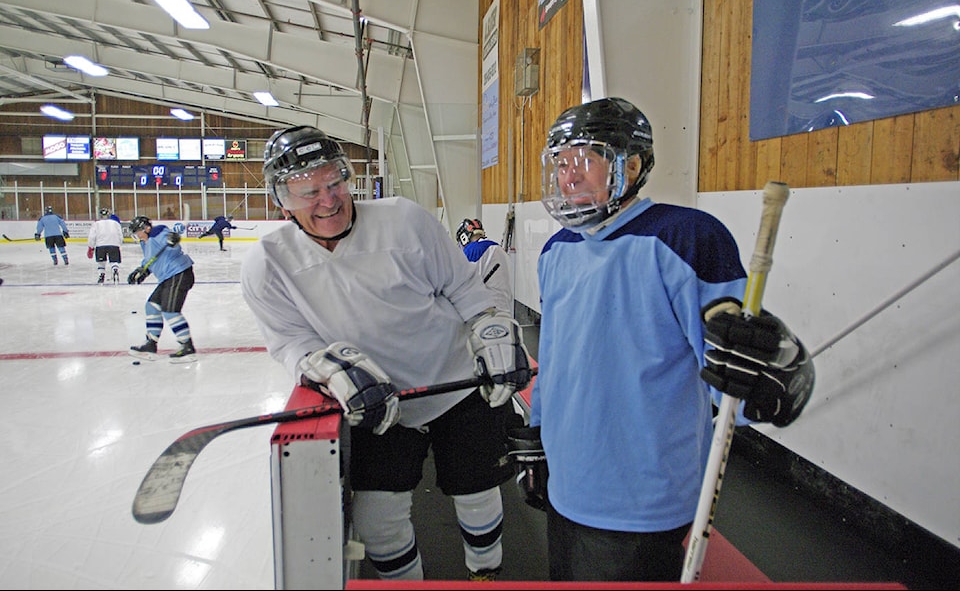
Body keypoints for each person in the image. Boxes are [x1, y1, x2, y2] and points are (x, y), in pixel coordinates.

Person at [522, 97, 815, 582]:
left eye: (585, 158)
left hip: (643, 496)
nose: (567, 175)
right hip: (568, 484)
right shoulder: (558, 250)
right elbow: (555, 362)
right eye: (560, 161)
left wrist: (772, 369)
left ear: (630, 165)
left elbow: (733, 370)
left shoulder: (688, 237)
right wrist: (537, 437)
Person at [240, 126, 533, 582]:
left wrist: (490, 330)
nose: (328, 200)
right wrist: (323, 366)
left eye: (335, 181)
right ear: (283, 201)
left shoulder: (404, 220)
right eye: (308, 191)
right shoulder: (266, 263)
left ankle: (484, 574)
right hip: (378, 404)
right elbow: (289, 340)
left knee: (477, 493)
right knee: (379, 521)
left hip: (456, 383)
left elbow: (463, 288)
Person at [127, 216, 198, 363]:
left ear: (146, 228)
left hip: (179, 274)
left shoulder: (157, 232)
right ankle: (151, 345)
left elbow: (172, 243)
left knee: (170, 310)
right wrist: (142, 271)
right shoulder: (145, 243)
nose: (137, 234)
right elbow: (150, 260)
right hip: (168, 278)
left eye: (137, 231)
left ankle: (188, 347)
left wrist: (173, 240)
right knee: (152, 306)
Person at [456, 218, 514, 315]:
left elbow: (461, 288)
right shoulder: (499, 249)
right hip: (505, 311)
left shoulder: (472, 251)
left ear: (464, 238)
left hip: (485, 314)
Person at [87, 208, 124, 284]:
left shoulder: (96, 224)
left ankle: (101, 275)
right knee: (114, 261)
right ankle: (115, 270)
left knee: (101, 262)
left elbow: (92, 236)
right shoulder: (115, 223)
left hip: (100, 245)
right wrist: (119, 244)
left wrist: (91, 246)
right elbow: (120, 235)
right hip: (114, 244)